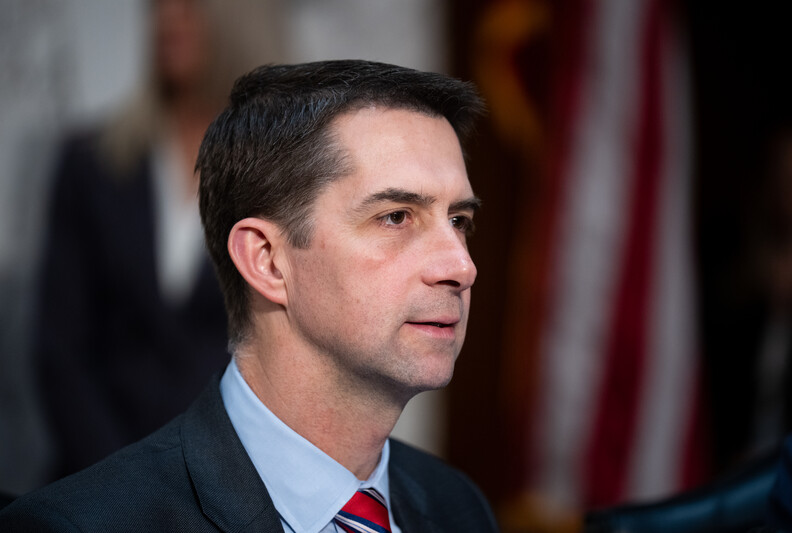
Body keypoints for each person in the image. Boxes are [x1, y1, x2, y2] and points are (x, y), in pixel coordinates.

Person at [0, 59, 499, 532]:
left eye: (460, 221)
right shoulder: (87, 523)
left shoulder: (459, 507)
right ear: (266, 260)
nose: (461, 266)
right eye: (396, 217)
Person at [34, 0, 284, 479]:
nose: (167, 21)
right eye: (157, 7)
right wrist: (121, 480)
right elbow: (59, 352)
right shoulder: (92, 162)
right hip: (92, 478)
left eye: (188, 7)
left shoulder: (280, 179)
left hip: (227, 479)